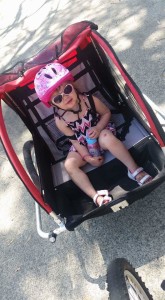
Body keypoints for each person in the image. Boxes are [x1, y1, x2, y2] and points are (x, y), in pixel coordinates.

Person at [34, 62, 152, 207]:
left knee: (107, 137)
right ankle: (95, 196)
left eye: (67, 89)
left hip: (100, 133)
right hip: (81, 144)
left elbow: (106, 113)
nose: (65, 97)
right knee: (69, 165)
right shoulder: (61, 120)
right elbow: (74, 141)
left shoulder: (89, 100)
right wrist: (87, 157)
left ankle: (134, 170)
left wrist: (98, 127)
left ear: (72, 84)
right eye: (58, 98)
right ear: (53, 105)